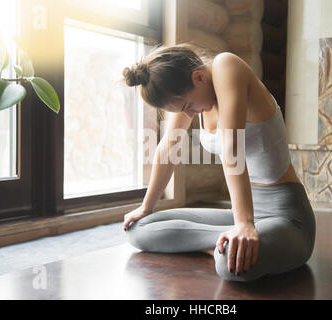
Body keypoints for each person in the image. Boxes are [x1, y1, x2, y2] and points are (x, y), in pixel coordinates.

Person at [121, 43, 316, 282]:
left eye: (187, 106)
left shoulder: (226, 66)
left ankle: (221, 248)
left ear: (199, 77)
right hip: (240, 213)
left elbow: (232, 147)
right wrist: (146, 207)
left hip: (287, 218)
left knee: (229, 265)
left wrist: (244, 224)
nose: (189, 113)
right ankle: (222, 244)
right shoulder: (192, 91)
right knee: (138, 231)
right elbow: (168, 147)